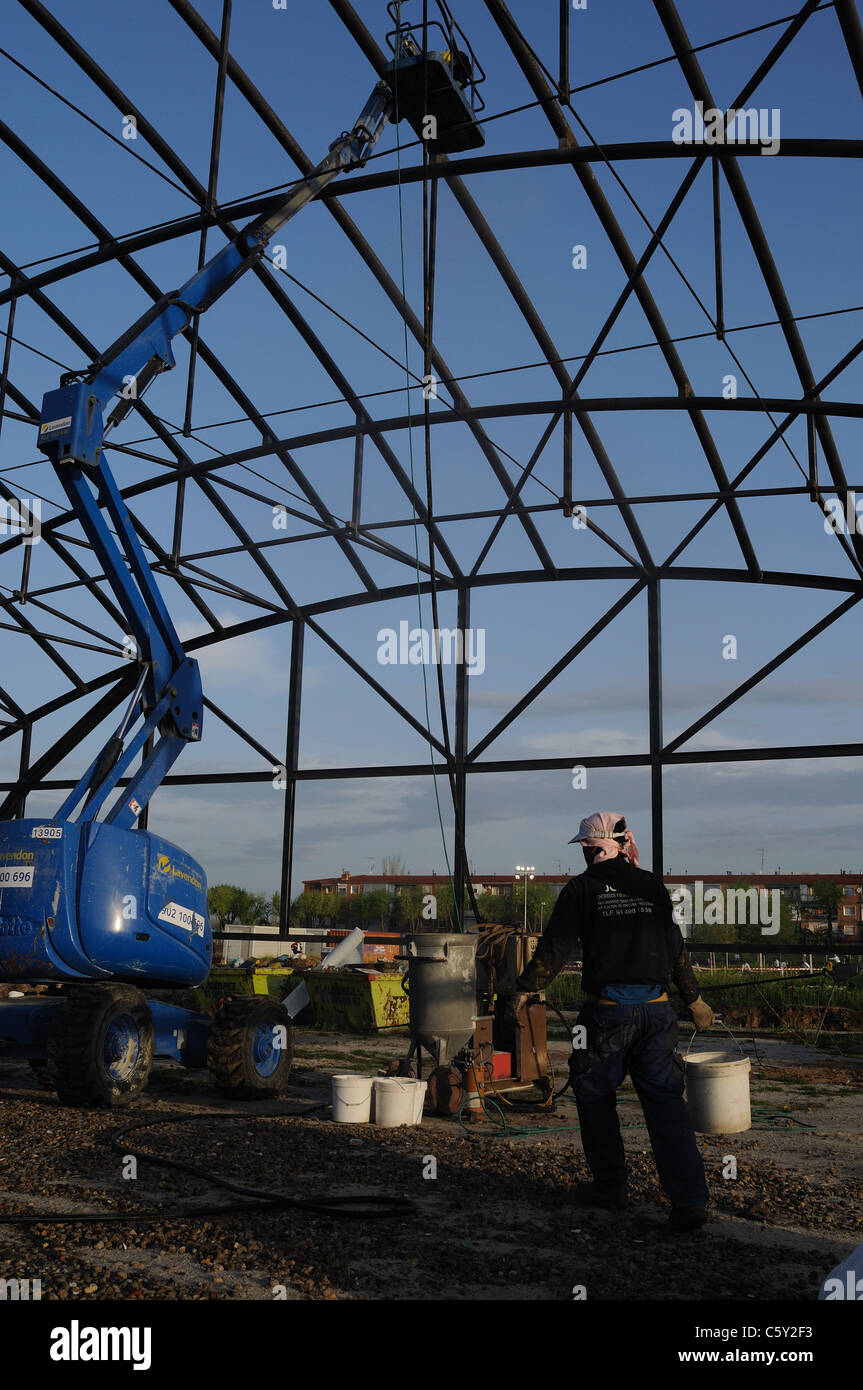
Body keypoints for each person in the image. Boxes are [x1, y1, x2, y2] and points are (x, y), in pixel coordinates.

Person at [509, 811, 714, 1232]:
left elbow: (555, 947)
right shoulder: (652, 885)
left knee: (593, 1094)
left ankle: (610, 1186)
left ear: (592, 848)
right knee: (665, 1105)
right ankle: (689, 1201)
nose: (583, 854)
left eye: (584, 847)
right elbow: (675, 947)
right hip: (657, 1012)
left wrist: (524, 989)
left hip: (607, 1016)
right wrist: (693, 999)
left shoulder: (581, 890)